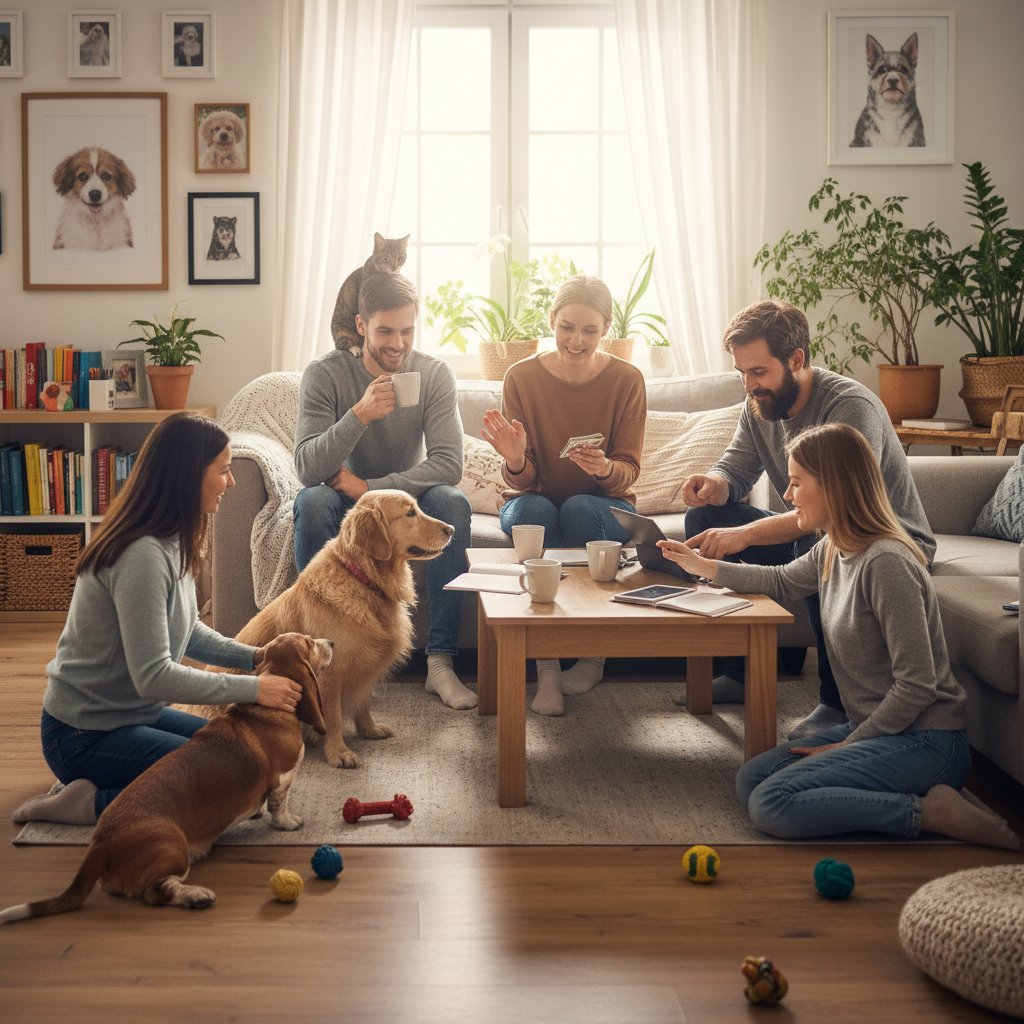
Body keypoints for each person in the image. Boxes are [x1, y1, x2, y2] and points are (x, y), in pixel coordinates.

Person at [658, 423, 1019, 850]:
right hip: (873, 727)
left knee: (772, 803)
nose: (787, 496)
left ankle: (929, 812)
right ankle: (900, 790)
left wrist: (849, 744)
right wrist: (701, 566)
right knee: (752, 778)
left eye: (796, 483)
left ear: (833, 486)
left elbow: (918, 686)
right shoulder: (833, 547)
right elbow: (780, 581)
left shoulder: (886, 564)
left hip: (926, 740)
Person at [12, 414, 302, 827]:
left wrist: (255, 657)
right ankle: (87, 804)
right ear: (189, 475)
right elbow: (154, 676)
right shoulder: (142, 556)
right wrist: (254, 689)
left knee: (245, 763)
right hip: (81, 736)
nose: (231, 482)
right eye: (223, 470)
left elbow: (188, 630)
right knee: (228, 781)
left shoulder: (172, 539)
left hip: (131, 715)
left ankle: (111, 789)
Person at [680, 299, 935, 739]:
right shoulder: (759, 404)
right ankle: (741, 671)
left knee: (815, 542)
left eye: (758, 371)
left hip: (880, 538)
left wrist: (744, 535)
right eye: (741, 373)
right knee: (704, 518)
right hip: (812, 526)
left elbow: (838, 512)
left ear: (796, 359)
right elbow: (736, 470)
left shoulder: (849, 407)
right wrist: (714, 484)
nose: (748, 385)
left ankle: (835, 703)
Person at [292, 272, 475, 710]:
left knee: (451, 502)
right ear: (361, 326)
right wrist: (359, 415)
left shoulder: (433, 373)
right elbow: (307, 468)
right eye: (386, 332)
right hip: (342, 500)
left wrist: (370, 488)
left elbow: (449, 463)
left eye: (407, 331)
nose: (398, 344)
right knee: (312, 501)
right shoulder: (325, 374)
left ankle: (440, 662)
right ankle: (320, 657)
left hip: (407, 500)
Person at [481, 275, 646, 716]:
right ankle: (547, 667)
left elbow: (629, 469)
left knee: (579, 509)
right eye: (567, 327)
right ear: (551, 319)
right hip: (532, 498)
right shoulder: (521, 377)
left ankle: (593, 657)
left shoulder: (627, 379)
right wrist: (516, 459)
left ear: (606, 327)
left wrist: (605, 468)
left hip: (601, 504)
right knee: (534, 512)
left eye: (590, 330)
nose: (576, 341)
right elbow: (522, 482)